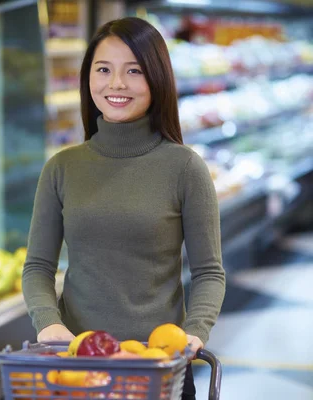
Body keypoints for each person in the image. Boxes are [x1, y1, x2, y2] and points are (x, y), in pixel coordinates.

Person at [22, 17, 226, 400]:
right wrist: (48, 323)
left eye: (133, 71)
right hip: (76, 366)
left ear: (156, 78)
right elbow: (37, 266)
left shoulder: (185, 167)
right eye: (103, 69)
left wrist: (195, 331)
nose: (115, 84)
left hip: (159, 369)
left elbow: (209, 271)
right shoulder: (62, 168)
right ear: (88, 79)